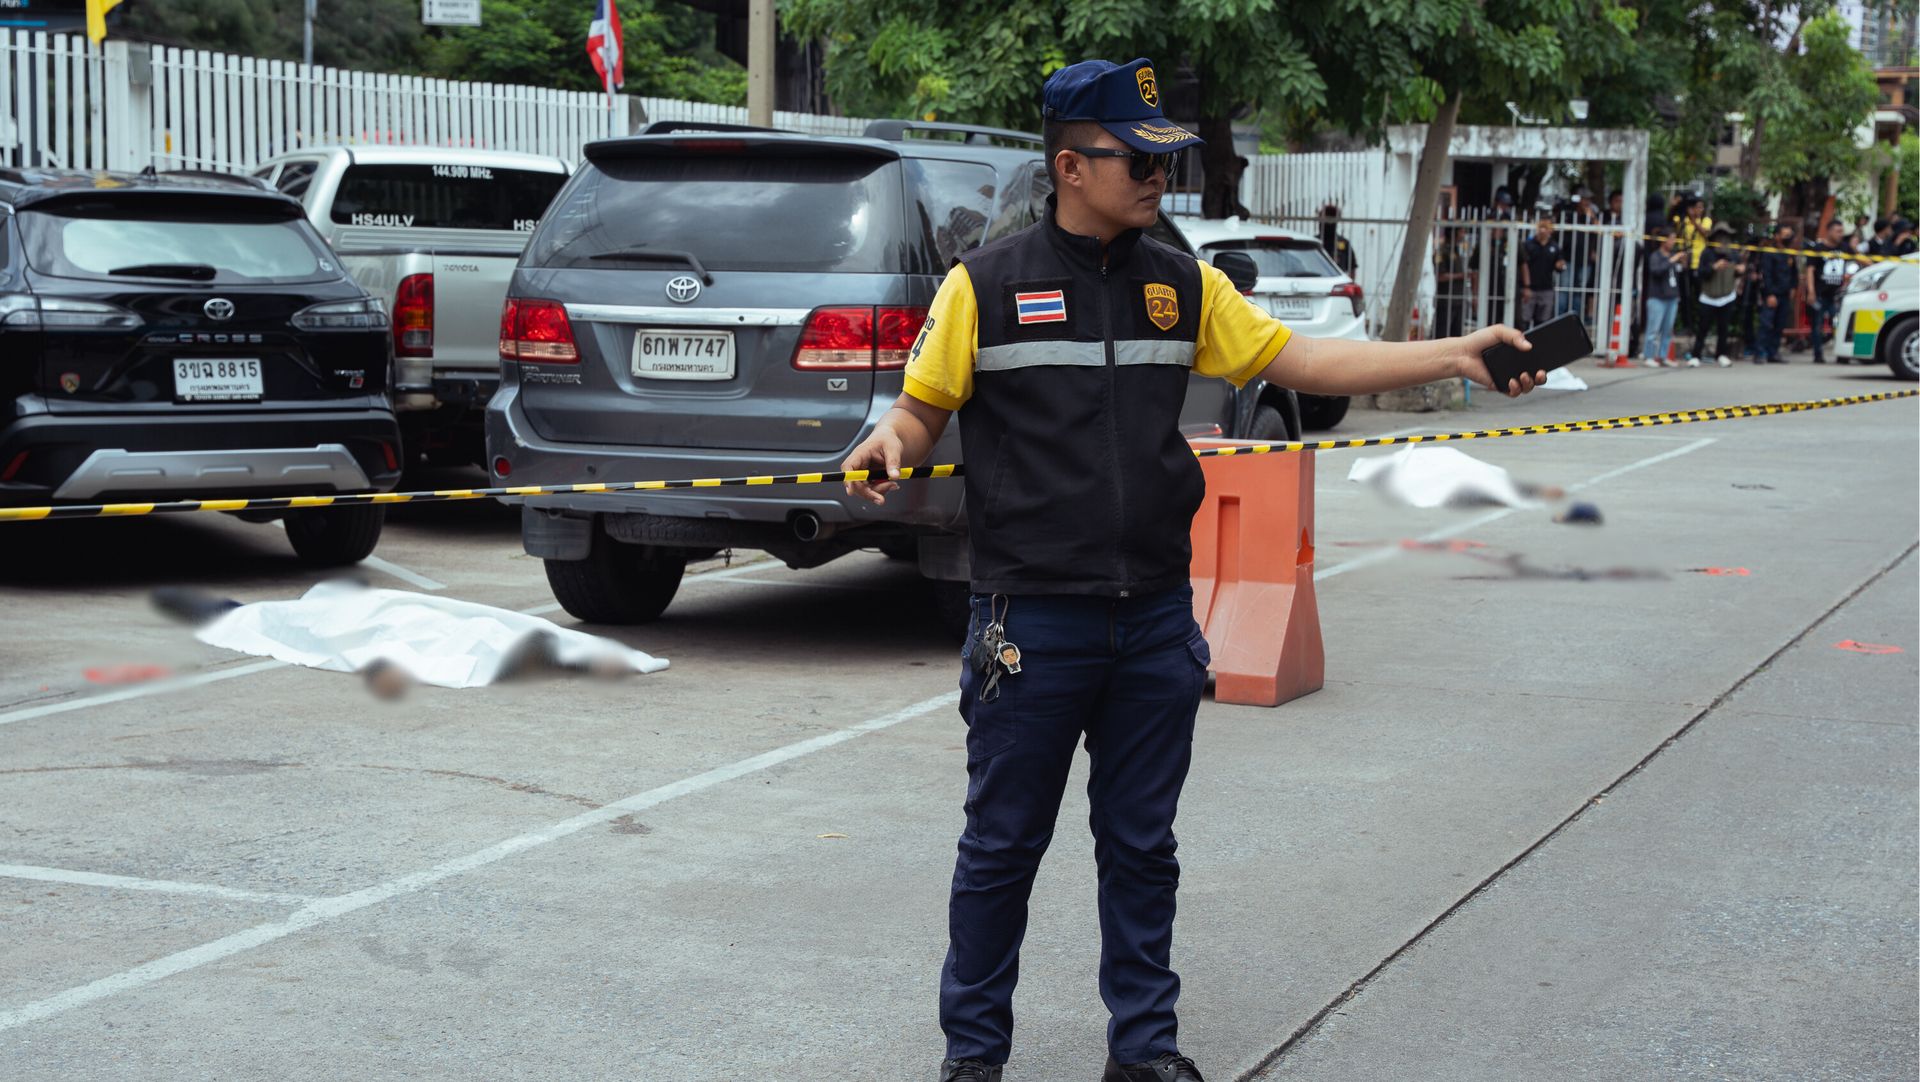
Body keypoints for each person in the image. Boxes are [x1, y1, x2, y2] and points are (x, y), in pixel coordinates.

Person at [838, 56, 1547, 1082]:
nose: (1159, 178)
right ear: (1072, 165)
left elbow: (1305, 362)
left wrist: (1455, 354)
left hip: (1155, 621)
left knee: (1142, 848)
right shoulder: (981, 288)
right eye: (1139, 160)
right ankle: (975, 1060)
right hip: (1032, 622)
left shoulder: (1181, 284)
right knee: (1001, 851)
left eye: (1165, 159)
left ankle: (1145, 1051)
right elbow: (917, 409)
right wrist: (889, 437)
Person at [1689, 224, 1743, 366]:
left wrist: (1740, 269)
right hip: (1708, 297)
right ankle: (1696, 355)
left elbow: (1739, 271)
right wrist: (1714, 267)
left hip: (1727, 296)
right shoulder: (1707, 253)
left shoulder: (1734, 254)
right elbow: (1700, 274)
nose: (1723, 240)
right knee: (1702, 328)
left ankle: (1722, 354)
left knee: (1723, 328)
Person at [1804, 217, 1854, 364]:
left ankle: (1842, 354)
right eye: (1838, 231)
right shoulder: (1817, 248)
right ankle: (1818, 354)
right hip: (1820, 293)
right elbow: (1810, 271)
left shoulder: (1844, 247)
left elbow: (1858, 258)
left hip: (1837, 295)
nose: (1840, 234)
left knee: (1839, 324)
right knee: (1817, 326)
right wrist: (1811, 291)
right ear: (1829, 231)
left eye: (1842, 231)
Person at [1753, 222, 1800, 364]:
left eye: (1789, 235)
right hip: (1772, 294)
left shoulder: (1789, 253)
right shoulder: (1769, 253)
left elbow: (1794, 274)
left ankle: (1773, 353)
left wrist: (1793, 288)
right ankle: (1760, 353)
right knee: (1766, 324)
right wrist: (1769, 294)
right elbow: (1766, 275)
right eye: (1785, 235)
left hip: (1785, 294)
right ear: (1777, 236)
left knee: (1780, 325)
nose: (1788, 238)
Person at [1641, 228, 1683, 367]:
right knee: (1653, 329)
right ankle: (1648, 356)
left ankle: (1663, 356)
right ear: (1663, 240)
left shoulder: (1673, 256)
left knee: (1667, 329)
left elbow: (1680, 273)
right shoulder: (1656, 256)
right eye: (1671, 238)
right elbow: (1656, 271)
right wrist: (1672, 260)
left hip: (1672, 296)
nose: (1673, 242)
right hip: (1657, 297)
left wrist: (1682, 262)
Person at [1673, 195, 1713, 326]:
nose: (1699, 210)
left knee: (1700, 296)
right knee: (1685, 297)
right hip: (1685, 264)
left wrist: (1693, 219)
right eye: (1697, 207)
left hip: (1699, 265)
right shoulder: (1683, 221)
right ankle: (1687, 325)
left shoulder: (1706, 220)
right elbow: (1672, 225)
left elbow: (1705, 233)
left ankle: (1701, 325)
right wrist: (1675, 206)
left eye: (1701, 207)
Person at [1519, 215, 1565, 329]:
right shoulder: (1528, 245)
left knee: (1542, 323)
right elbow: (1522, 266)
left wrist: (1560, 265)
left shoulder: (1554, 247)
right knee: (1524, 321)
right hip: (1530, 289)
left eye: (1546, 227)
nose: (1543, 230)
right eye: (1541, 226)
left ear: (1551, 229)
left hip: (1546, 289)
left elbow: (1559, 266)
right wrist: (1526, 287)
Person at [1320, 203, 1357, 277]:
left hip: (1337, 282)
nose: (1328, 222)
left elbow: (1352, 268)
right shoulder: (1315, 243)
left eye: (1330, 218)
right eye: (1326, 218)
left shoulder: (1344, 243)